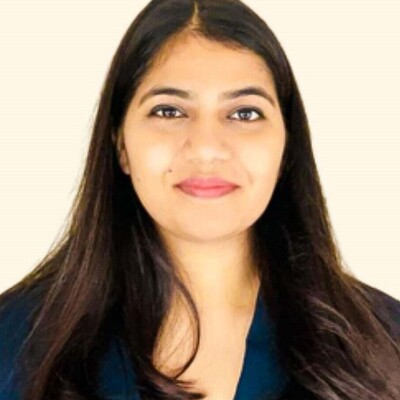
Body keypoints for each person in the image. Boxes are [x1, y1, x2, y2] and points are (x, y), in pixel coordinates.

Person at [1, 0, 400, 399]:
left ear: (286, 147)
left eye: (245, 114)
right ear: (121, 143)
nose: (207, 148)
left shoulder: (386, 341)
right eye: (168, 111)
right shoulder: (14, 341)